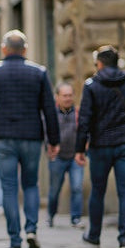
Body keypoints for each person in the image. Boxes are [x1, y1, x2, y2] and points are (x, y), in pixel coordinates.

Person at [0, 30, 60, 248]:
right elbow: (49, 109)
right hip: (32, 136)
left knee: (9, 188)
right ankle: (31, 229)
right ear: (25, 50)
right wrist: (53, 140)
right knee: (31, 184)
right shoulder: (39, 73)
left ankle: (15, 240)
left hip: (3, 138)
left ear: (4, 49)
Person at [75, 45, 125, 248]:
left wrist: (80, 148)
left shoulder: (91, 86)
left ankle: (94, 236)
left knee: (97, 191)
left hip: (101, 146)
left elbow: (84, 120)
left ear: (99, 64)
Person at [47, 82, 86, 229]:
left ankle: (75, 218)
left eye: (70, 95)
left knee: (77, 187)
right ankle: (51, 215)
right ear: (57, 97)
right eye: (65, 95)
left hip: (75, 157)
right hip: (57, 158)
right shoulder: (51, 115)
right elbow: (46, 133)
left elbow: (86, 131)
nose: (68, 98)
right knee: (54, 190)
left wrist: (84, 148)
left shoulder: (78, 113)